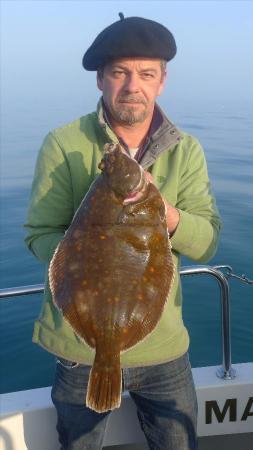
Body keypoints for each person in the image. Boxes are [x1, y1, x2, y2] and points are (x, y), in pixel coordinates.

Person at [25, 13, 222, 450]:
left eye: (146, 73)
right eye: (120, 73)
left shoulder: (186, 151)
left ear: (162, 81)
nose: (133, 85)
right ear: (101, 80)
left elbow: (207, 242)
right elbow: (39, 234)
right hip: (80, 349)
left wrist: (165, 214)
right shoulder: (62, 142)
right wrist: (85, 250)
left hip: (164, 348)